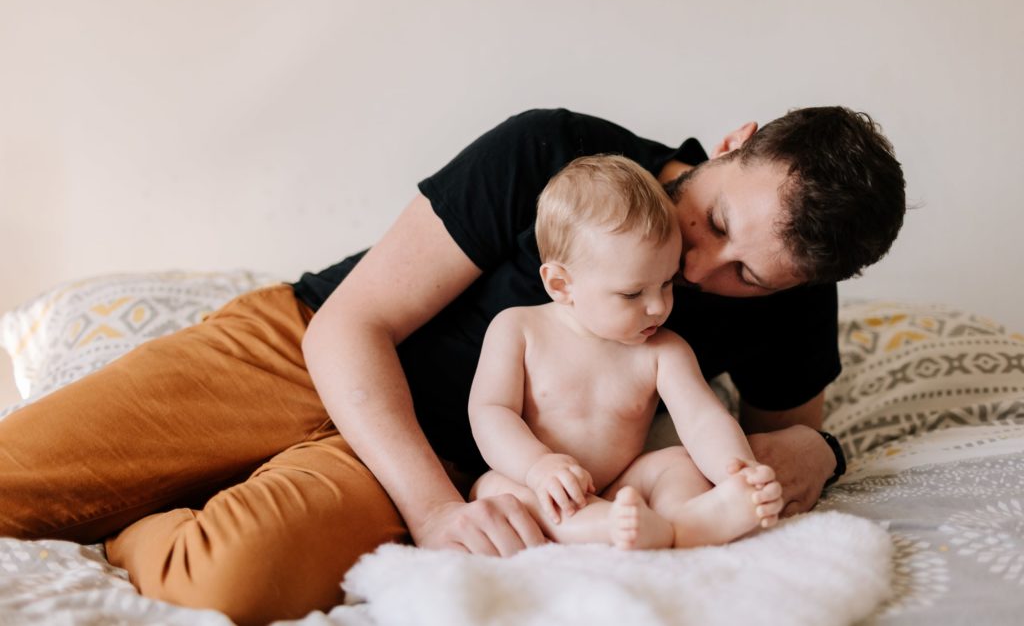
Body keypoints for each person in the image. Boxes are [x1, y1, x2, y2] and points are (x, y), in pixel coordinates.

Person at [0, 107, 905, 625]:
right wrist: (435, 514)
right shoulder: (550, 149)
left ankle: (134, 524)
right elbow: (355, 321)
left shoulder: (793, 298)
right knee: (15, 476)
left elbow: (794, 436)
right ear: (734, 140)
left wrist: (814, 458)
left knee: (227, 580)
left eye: (747, 276)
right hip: (305, 347)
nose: (699, 271)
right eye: (714, 222)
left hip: (446, 461)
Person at [468, 154, 783, 550]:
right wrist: (536, 466)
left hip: (623, 483)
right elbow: (490, 413)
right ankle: (620, 529)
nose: (658, 307)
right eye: (633, 293)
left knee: (677, 463)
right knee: (492, 490)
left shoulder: (663, 350)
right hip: (538, 483)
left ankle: (688, 518)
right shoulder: (518, 329)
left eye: (667, 283)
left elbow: (703, 421)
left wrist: (738, 471)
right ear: (561, 284)